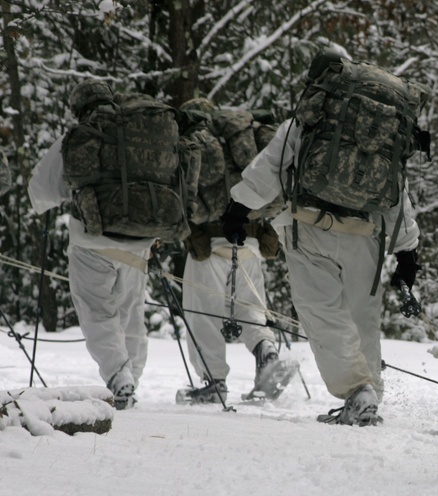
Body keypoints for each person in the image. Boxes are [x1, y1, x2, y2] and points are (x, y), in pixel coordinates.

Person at [223, 53, 423, 427]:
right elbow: (398, 191)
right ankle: (369, 396)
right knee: (363, 314)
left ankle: (356, 391)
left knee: (322, 312)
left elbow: (270, 167)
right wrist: (407, 250)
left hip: (309, 226)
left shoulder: (308, 122)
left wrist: (239, 207)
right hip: (366, 234)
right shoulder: (384, 134)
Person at [27, 80, 161, 409]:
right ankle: (133, 378)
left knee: (98, 311)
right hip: (138, 241)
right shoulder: (137, 134)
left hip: (92, 241)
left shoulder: (78, 137)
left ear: (79, 108)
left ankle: (119, 378)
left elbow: (40, 192)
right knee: (132, 312)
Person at [174, 98, 299, 405]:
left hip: (209, 246)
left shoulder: (195, 144)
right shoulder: (241, 143)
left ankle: (213, 382)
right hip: (252, 242)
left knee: (201, 313)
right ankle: (267, 353)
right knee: (251, 308)